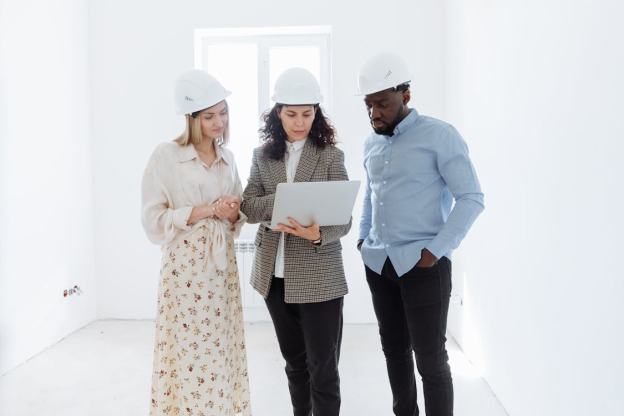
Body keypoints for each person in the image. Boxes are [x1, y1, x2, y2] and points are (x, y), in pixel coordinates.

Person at [356, 52, 485, 416]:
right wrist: (364, 239)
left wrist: (435, 252)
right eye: (369, 105)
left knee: (431, 359)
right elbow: (371, 194)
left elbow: (472, 198)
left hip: (423, 266)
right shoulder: (372, 143)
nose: (374, 114)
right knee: (394, 351)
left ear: (406, 95)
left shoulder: (440, 136)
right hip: (380, 264)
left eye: (383, 103)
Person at [240, 67, 350, 416]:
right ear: (277, 113)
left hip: (320, 276)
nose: (299, 122)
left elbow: (344, 219)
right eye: (291, 114)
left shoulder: (330, 156)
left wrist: (318, 233)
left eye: (307, 113)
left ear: (317, 113)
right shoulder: (262, 155)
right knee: (295, 365)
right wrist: (286, 200)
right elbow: (248, 206)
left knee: (324, 370)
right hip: (274, 277)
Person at [141, 69, 251, 416]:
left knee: (220, 347)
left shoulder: (228, 159)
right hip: (186, 268)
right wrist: (207, 210)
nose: (219, 121)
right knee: (188, 349)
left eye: (223, 112)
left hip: (221, 268)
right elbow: (153, 219)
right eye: (209, 116)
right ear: (191, 119)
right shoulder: (167, 156)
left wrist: (233, 212)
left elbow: (237, 217)